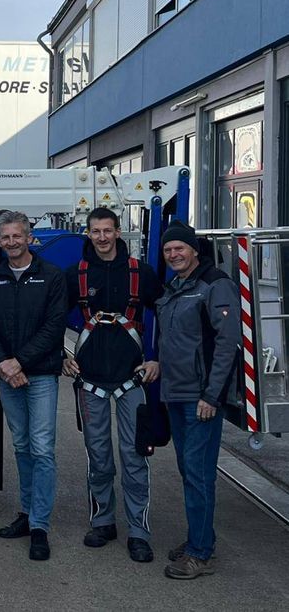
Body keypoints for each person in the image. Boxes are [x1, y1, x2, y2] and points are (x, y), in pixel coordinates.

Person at [62, 208, 162, 563]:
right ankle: (103, 521)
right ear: (87, 234)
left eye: (107, 230)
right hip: (90, 382)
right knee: (99, 458)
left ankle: (139, 530)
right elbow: (53, 315)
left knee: (134, 458)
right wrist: (64, 355)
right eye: (95, 231)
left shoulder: (141, 273)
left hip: (132, 380)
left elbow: (166, 314)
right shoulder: (76, 275)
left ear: (119, 232)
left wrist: (156, 358)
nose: (102, 237)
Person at [0, 210, 66, 561]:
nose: (12, 242)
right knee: (23, 446)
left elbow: (55, 325)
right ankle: (28, 513)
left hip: (40, 373)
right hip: (7, 374)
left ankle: (40, 526)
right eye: (5, 238)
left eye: (18, 236)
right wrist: (5, 364)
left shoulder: (51, 276)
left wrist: (20, 362)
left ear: (30, 237)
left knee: (42, 448)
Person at [156, 219, 241, 580]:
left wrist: (212, 395)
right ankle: (198, 538)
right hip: (176, 393)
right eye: (168, 250)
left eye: (179, 248)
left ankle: (201, 553)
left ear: (194, 250)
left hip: (200, 398)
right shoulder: (177, 285)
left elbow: (226, 344)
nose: (174, 254)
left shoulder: (214, 285)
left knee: (199, 473)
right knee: (190, 472)